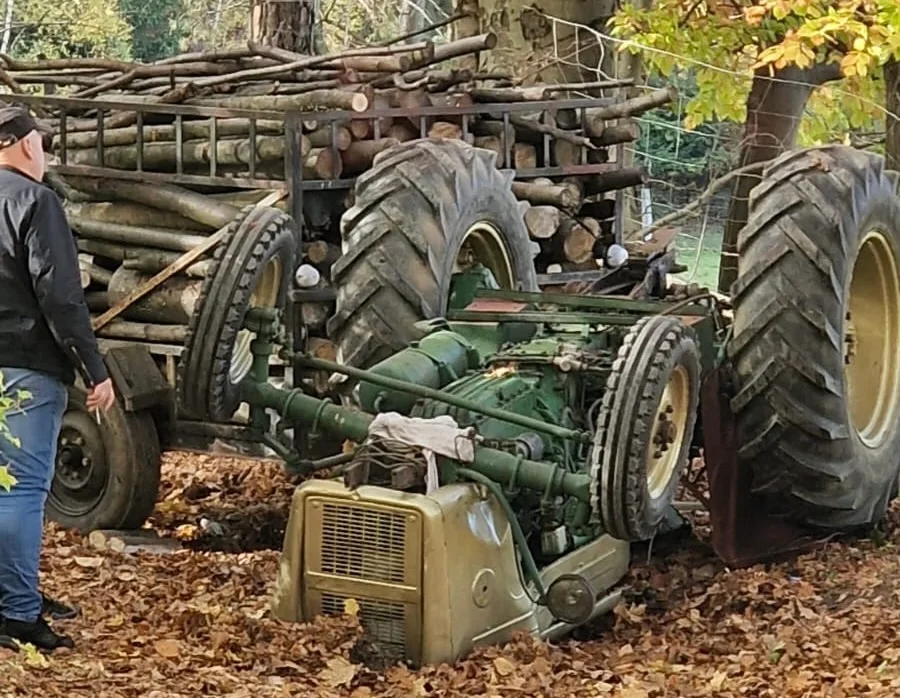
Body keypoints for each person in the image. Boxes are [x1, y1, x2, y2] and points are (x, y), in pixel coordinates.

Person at [0, 105, 115, 651]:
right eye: (41, 144)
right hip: (25, 366)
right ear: (24, 146)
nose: (43, 153)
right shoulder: (34, 201)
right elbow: (62, 297)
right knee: (22, 490)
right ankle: (18, 614)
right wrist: (96, 370)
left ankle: (11, 590)